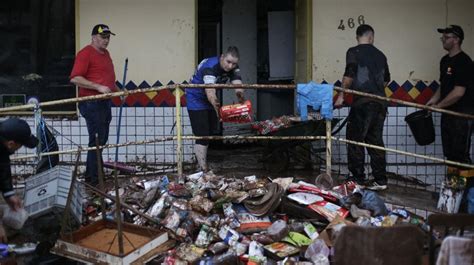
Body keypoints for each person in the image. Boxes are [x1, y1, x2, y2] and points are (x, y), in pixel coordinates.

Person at [334, 24, 391, 191]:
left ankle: (357, 179)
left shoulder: (353, 52)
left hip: (363, 104)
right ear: (371, 37)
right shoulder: (381, 55)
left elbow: (349, 74)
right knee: (375, 141)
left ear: (357, 37)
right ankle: (380, 180)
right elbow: (386, 80)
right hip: (380, 104)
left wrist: (342, 96)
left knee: (355, 140)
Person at [426, 25, 473, 213]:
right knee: (451, 156)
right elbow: (443, 86)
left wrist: (440, 106)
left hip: (462, 115)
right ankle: (453, 196)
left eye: (446, 37)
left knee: (461, 157)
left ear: (456, 39)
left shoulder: (465, 62)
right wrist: (433, 101)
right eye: (442, 38)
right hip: (448, 116)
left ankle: (466, 198)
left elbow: (458, 92)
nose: (443, 40)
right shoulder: (445, 60)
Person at [70, 24, 118, 185]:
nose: (106, 40)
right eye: (103, 37)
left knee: (101, 139)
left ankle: (93, 175)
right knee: (96, 140)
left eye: (108, 37)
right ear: (93, 37)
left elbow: (107, 78)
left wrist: (119, 90)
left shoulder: (106, 54)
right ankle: (94, 179)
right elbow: (75, 78)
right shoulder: (85, 54)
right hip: (91, 103)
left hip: (104, 102)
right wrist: (98, 87)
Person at [186, 46, 246, 172]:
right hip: (196, 98)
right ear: (222, 57)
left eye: (234, 63)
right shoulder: (210, 67)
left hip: (209, 99)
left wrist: (242, 103)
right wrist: (218, 110)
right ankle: (202, 169)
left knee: (211, 131)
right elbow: (210, 93)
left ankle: (202, 164)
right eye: (228, 62)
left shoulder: (233, 67)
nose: (230, 66)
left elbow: (238, 85)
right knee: (202, 134)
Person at [0, 118, 39, 242]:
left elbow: (2, 169)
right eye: (21, 145)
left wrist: (9, 194)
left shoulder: (2, 145)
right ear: (11, 143)